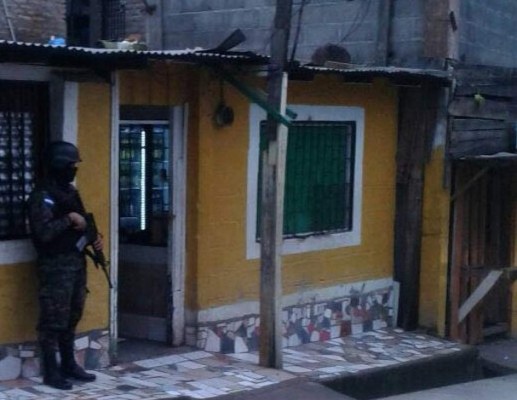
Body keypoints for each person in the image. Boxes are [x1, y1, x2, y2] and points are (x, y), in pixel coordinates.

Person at [27, 141, 102, 390]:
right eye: (70, 165)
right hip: (55, 268)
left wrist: (93, 237)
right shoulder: (42, 196)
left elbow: (84, 222)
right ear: (58, 165)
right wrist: (69, 219)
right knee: (53, 321)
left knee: (72, 316)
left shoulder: (69, 192)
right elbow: (43, 233)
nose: (73, 170)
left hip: (75, 264)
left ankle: (69, 364)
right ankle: (51, 371)